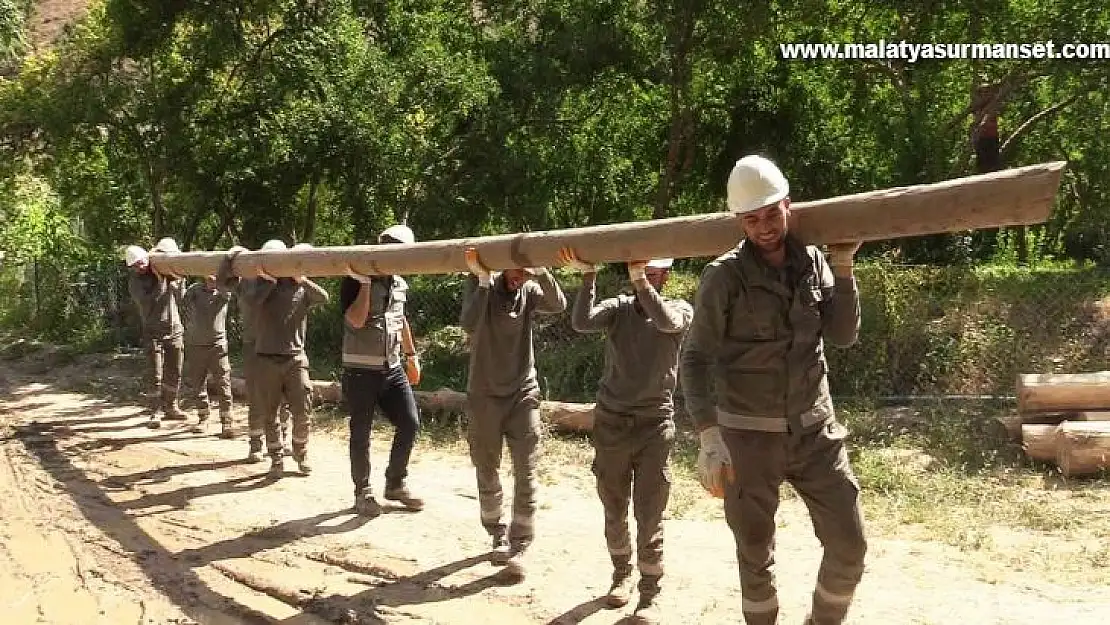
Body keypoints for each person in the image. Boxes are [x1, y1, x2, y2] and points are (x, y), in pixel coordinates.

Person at [679, 154, 867, 625]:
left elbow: (842, 336)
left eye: (770, 214)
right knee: (755, 552)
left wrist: (843, 269)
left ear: (789, 205)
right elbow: (695, 359)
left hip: (813, 433)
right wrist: (708, 436)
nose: (763, 227)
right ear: (739, 221)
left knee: (850, 545)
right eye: (751, 219)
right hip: (748, 439)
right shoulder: (724, 277)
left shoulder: (814, 261)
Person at [560, 247, 692, 624]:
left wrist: (639, 282)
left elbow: (665, 322)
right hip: (613, 422)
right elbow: (582, 322)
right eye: (640, 272)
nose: (645, 278)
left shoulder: (680, 310)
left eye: (651, 273)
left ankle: (649, 594)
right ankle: (621, 576)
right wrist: (588, 277)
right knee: (614, 505)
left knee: (650, 512)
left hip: (654, 424)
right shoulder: (618, 308)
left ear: (664, 277)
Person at [459, 247, 566, 581]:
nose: (519, 275)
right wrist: (481, 281)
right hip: (485, 395)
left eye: (523, 269)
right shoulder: (482, 285)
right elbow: (468, 322)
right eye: (514, 269)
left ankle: (520, 541)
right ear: (502, 267)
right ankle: (496, 529)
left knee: (526, 466)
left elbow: (559, 305)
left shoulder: (530, 291)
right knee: (486, 465)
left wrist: (543, 273)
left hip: (522, 392)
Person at [340, 224, 425, 517]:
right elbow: (355, 320)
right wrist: (364, 283)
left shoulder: (399, 283)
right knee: (361, 432)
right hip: (360, 369)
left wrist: (411, 355)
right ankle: (362, 492)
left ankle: (395, 483)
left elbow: (400, 320)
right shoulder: (353, 279)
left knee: (410, 422)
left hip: (392, 367)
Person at [245, 240, 330, 476]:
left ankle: (300, 453)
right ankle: (276, 459)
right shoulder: (258, 286)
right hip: (266, 359)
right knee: (270, 413)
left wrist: (302, 280)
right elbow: (252, 303)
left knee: (303, 410)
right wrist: (269, 281)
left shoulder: (300, 287)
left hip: (295, 358)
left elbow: (324, 297)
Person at [222, 245, 293, 462]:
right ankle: (256, 444)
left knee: (285, 395)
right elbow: (223, 282)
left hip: (283, 346)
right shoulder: (249, 281)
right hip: (255, 346)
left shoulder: (289, 280)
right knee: (256, 395)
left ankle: (284, 438)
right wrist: (230, 258)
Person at [127, 238, 187, 428]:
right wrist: (161, 282)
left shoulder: (164, 273)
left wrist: (175, 279)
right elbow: (149, 302)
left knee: (175, 371)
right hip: (153, 332)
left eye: (142, 262)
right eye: (136, 265)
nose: (141, 266)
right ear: (132, 267)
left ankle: (171, 406)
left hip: (174, 329)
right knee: (155, 374)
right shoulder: (136, 283)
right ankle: (155, 411)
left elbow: (180, 296)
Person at [181, 269, 235, 437]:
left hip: (217, 346)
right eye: (209, 274)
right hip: (196, 345)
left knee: (223, 383)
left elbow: (225, 296)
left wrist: (220, 284)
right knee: (198, 383)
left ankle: (227, 422)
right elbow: (182, 305)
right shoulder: (194, 290)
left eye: (215, 275)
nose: (211, 278)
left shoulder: (223, 292)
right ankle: (203, 417)